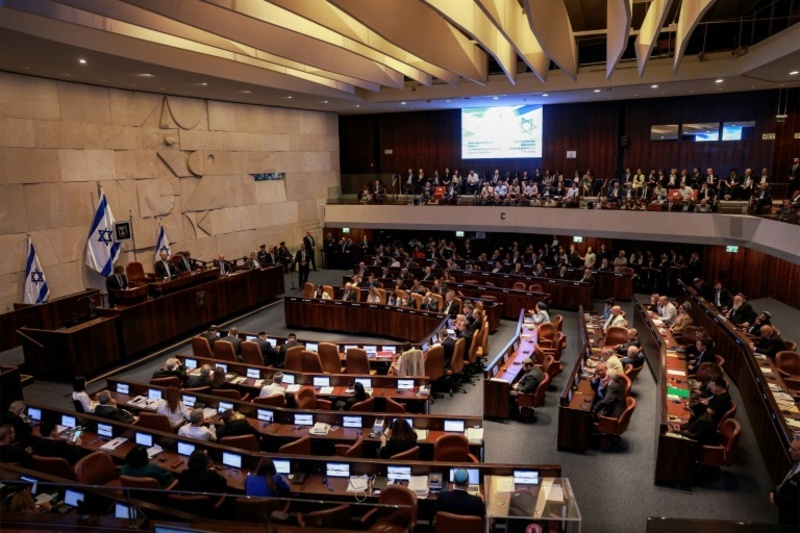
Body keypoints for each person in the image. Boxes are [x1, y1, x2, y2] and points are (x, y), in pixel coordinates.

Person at [770, 438, 800, 528]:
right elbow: (785, 479)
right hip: (784, 509)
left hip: (793, 516)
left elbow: (796, 500)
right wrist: (773, 490)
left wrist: (776, 498)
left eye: (793, 449)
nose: (789, 450)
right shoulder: (797, 462)